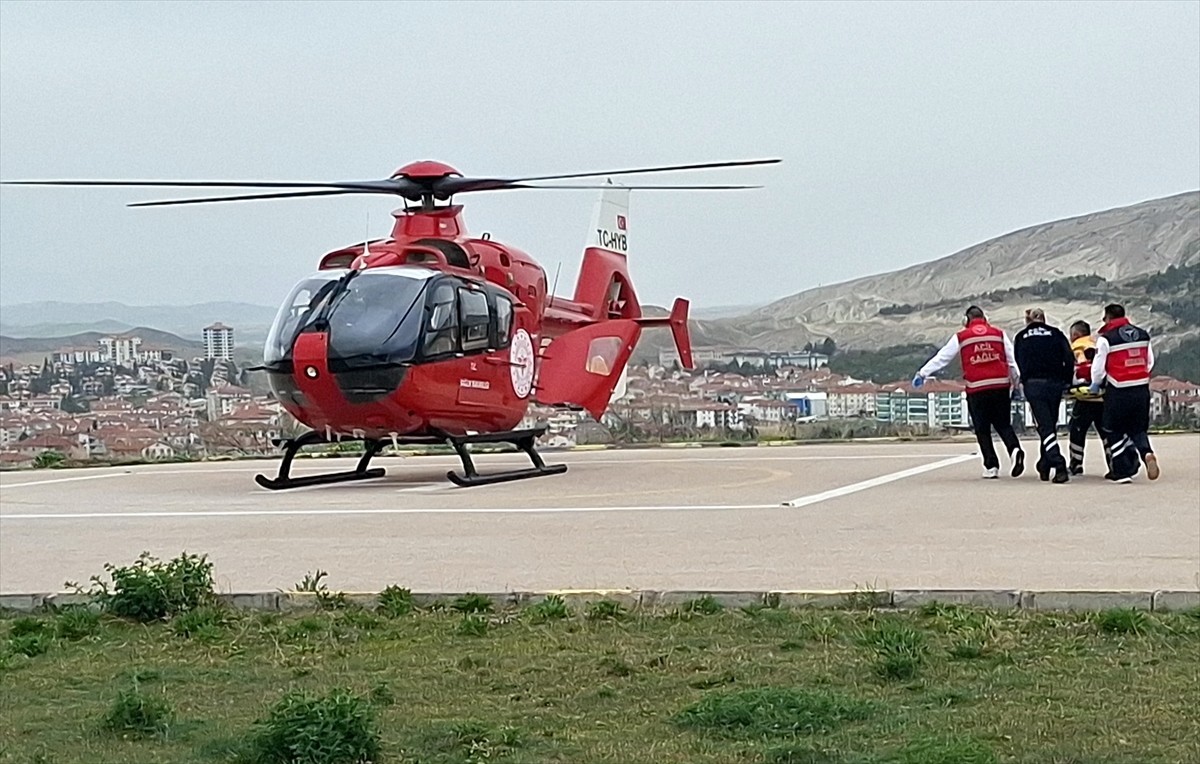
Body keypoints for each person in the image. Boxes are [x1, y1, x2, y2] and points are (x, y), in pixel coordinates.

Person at [913, 306, 1025, 479]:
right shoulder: (998, 334)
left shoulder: (961, 336)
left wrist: (923, 373)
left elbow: (942, 357)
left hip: (977, 387)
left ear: (966, 320)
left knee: (982, 428)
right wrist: (1017, 383)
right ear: (985, 318)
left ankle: (991, 466)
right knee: (1003, 424)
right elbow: (1011, 361)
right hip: (1000, 386)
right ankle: (1014, 449)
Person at [1089, 303, 1160, 483]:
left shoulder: (1106, 338)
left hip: (1118, 389)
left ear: (1109, 317)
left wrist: (1096, 384)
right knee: (1138, 429)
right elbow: (1149, 362)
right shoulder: (1142, 335)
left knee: (1112, 428)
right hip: (1141, 389)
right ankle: (1147, 454)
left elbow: (1098, 368)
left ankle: (1121, 472)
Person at [1013, 308, 1075, 484]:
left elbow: (1018, 361)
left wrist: (1024, 379)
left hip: (1034, 384)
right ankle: (1044, 463)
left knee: (1045, 426)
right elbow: (1069, 358)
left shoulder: (1021, 336)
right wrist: (1067, 380)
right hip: (1055, 383)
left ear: (1028, 320)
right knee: (1050, 423)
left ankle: (1058, 464)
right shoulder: (1056, 334)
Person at [1066, 320, 1111, 476]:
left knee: (1076, 431)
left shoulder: (1077, 346)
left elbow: (1081, 367)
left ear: (1076, 335)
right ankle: (1113, 464)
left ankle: (1076, 464)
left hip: (1085, 397)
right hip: (1103, 398)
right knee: (1106, 432)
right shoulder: (1098, 342)